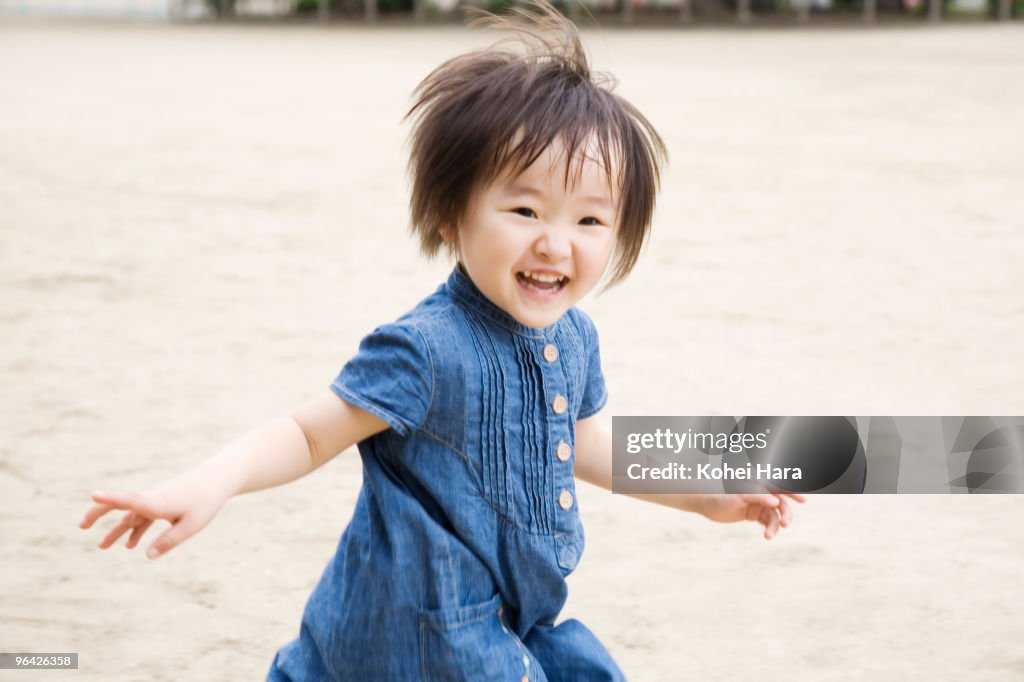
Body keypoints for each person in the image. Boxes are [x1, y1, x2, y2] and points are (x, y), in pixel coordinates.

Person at [79, 2, 806, 679]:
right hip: (412, 634)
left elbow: (582, 441)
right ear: (450, 218)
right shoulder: (425, 349)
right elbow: (307, 434)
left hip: (504, 618)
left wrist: (708, 493)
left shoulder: (573, 337)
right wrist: (213, 482)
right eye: (524, 209)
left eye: (590, 221)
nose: (556, 244)